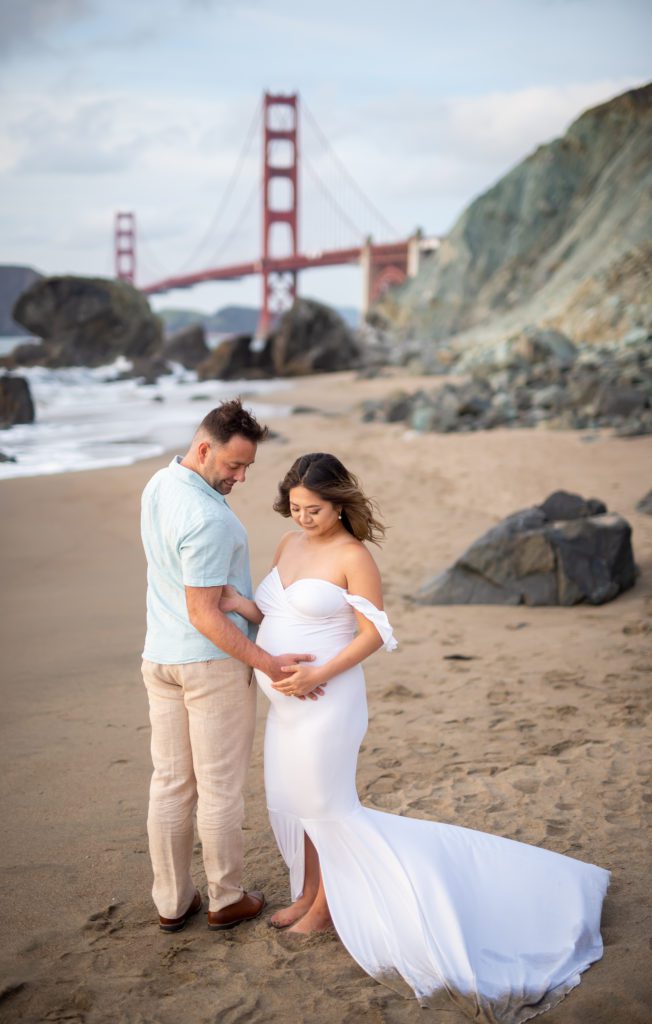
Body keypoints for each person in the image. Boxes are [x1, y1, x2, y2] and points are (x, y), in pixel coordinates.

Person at [222, 452, 610, 1023]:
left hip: (329, 701)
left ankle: (325, 907)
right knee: (291, 800)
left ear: (339, 504)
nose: (303, 518)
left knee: (326, 805)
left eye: (315, 509)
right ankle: (306, 892)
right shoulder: (287, 543)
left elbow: (374, 633)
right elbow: (280, 614)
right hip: (287, 708)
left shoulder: (354, 555)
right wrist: (243, 607)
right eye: (296, 508)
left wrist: (317, 674)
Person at [139, 399, 313, 935]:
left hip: (159, 658)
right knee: (218, 789)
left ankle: (171, 902)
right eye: (233, 466)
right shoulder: (208, 517)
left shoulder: (159, 484)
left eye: (247, 468)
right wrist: (266, 660)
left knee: (170, 783)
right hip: (209, 667)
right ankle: (226, 898)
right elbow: (204, 614)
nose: (240, 477)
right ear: (204, 448)